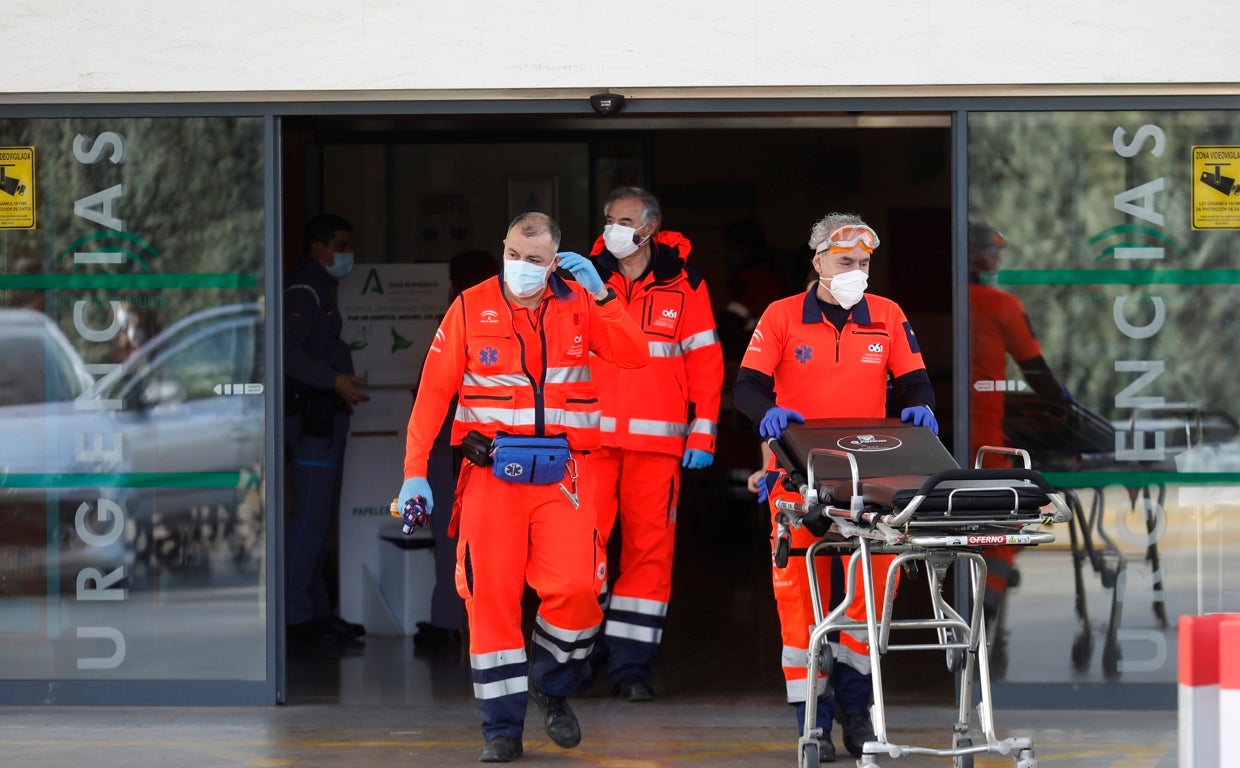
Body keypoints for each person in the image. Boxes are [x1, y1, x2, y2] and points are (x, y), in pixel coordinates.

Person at [397, 212, 649, 763]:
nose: (522, 268)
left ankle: (550, 684)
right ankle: (501, 729)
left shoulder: (581, 301)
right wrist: (415, 469)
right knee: (490, 601)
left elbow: (634, 354)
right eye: (514, 254)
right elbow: (433, 394)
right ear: (503, 249)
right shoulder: (470, 305)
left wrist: (603, 293)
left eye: (534, 260)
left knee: (581, 589)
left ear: (554, 262)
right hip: (490, 477)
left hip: (563, 477)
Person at [732, 212, 939, 762]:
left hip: (867, 484)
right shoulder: (780, 317)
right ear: (818, 260)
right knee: (800, 607)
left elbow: (916, 378)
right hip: (797, 479)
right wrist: (768, 414)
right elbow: (747, 385)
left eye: (864, 263)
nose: (856, 272)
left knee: (866, 604)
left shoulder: (887, 316)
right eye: (845, 262)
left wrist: (920, 405)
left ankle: (856, 712)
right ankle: (811, 722)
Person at [580, 186, 724, 702]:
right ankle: (577, 657)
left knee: (648, 556)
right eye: (608, 219)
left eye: (623, 220)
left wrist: (704, 427)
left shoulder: (685, 284)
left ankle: (631, 666)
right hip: (589, 443)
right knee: (581, 551)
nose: (612, 228)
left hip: (657, 448)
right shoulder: (582, 277)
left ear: (650, 228)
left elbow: (705, 360)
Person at [967, 221, 1072, 633]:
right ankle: (984, 615)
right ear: (979, 258)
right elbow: (1038, 375)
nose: (997, 261)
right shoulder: (1001, 306)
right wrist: (1063, 406)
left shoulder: (919, 308)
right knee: (1007, 522)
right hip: (986, 443)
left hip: (936, 439)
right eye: (993, 254)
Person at [283, 213, 370, 646]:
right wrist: (332, 378)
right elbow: (285, 353)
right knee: (309, 518)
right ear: (317, 248)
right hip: (313, 419)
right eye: (341, 244)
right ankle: (293, 616)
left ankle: (315, 609)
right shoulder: (304, 289)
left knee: (320, 521)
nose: (347, 253)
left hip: (327, 418)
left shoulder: (320, 288)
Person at [413, 249, 502, 654]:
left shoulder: (456, 321)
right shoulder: (508, 321)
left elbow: (430, 393)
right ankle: (468, 624)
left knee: (455, 542)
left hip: (457, 451)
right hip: (502, 453)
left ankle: (450, 622)